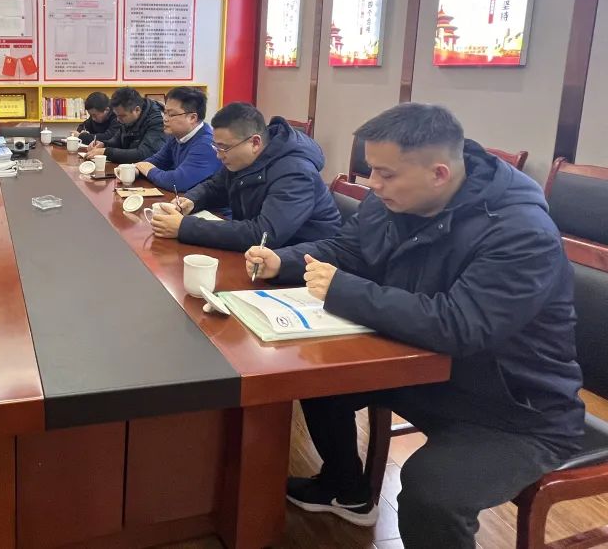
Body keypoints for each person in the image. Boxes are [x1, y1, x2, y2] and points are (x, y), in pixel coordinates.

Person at [246, 104, 584, 549]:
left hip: (515, 410)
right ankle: (346, 489)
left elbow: (459, 324)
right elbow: (350, 250)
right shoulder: (397, 199)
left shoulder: (520, 232)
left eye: (385, 174)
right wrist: (284, 261)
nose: (373, 183)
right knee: (315, 374)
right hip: (424, 372)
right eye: (371, 170)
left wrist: (343, 290)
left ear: (439, 173)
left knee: (432, 492)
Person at [149, 102, 341, 250]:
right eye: (216, 147)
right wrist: (191, 200)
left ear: (255, 142)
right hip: (260, 255)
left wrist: (184, 227)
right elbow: (215, 187)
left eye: (224, 148)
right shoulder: (243, 158)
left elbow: (264, 234)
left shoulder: (295, 173)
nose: (219, 155)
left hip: (303, 264)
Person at [134, 86, 220, 192]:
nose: (165, 119)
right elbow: (158, 161)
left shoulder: (207, 144)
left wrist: (147, 169)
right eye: (165, 112)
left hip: (209, 202)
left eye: (171, 114)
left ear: (192, 118)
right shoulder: (176, 135)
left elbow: (177, 182)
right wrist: (134, 169)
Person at [84, 87, 166, 164]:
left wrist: (105, 152)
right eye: (117, 115)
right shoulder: (127, 118)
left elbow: (143, 154)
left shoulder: (158, 121)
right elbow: (117, 141)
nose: (118, 120)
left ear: (137, 110)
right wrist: (103, 144)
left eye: (122, 116)